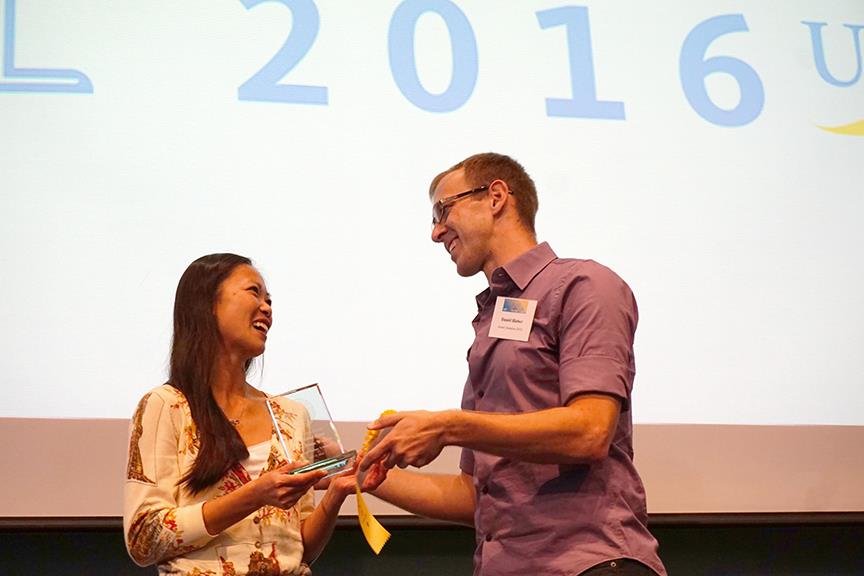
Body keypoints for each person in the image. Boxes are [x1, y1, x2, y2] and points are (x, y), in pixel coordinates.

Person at [360, 153, 666, 575]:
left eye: (442, 210)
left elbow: (590, 431)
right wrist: (354, 471)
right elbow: (474, 494)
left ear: (497, 197)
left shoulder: (583, 285)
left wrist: (447, 426)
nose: (435, 233)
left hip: (590, 563)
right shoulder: (489, 328)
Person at [124, 253, 384, 575]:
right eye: (253, 292)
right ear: (208, 304)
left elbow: (298, 547)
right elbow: (143, 539)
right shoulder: (165, 405)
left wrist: (335, 494)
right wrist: (254, 496)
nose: (267, 308)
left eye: (270, 300)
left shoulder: (292, 414)